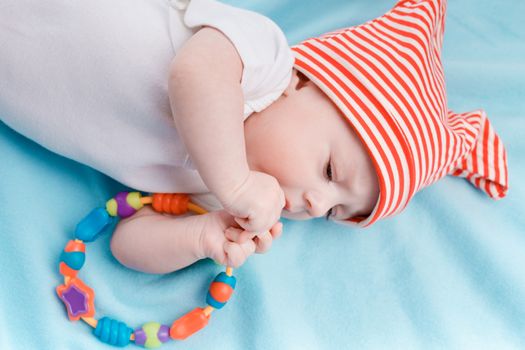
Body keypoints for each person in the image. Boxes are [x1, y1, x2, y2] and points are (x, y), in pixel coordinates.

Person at [0, 0, 508, 274]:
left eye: (334, 210)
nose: (313, 202)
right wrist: (237, 184)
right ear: (307, 84)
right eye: (331, 172)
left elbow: (127, 243)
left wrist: (201, 237)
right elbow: (192, 76)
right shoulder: (263, 64)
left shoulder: (213, 192)